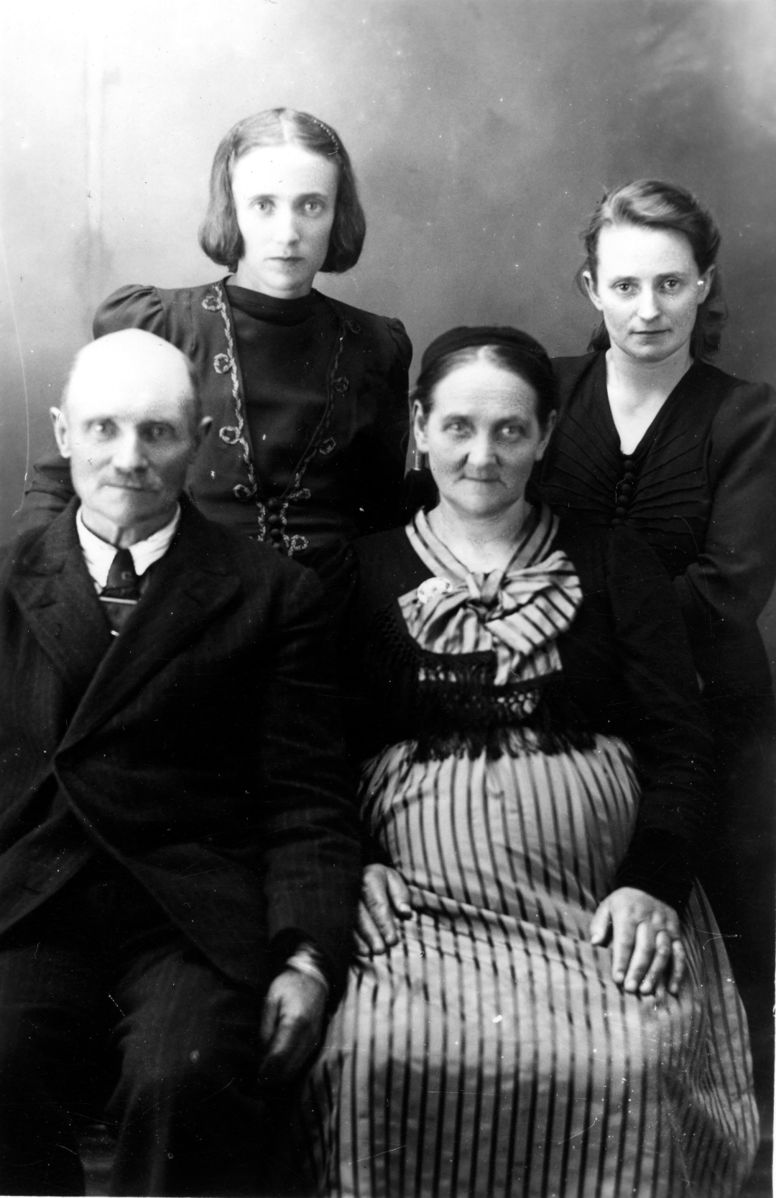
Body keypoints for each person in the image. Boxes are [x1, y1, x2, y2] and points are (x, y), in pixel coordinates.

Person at [298, 327, 759, 1197]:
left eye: (510, 430)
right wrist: (351, 866)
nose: (483, 455)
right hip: (420, 914)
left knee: (629, 1061)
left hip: (598, 906)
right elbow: (311, 753)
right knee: (371, 1052)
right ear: (419, 427)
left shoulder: (614, 561)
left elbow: (682, 745)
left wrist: (653, 884)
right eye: (458, 427)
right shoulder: (358, 573)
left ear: (545, 435)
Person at [0, 328, 361, 1197]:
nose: (129, 459)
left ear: (196, 440)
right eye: (104, 428)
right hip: (36, 900)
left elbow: (307, 799)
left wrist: (308, 958)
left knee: (183, 1078)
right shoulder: (9, 580)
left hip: (189, 916)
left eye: (157, 432)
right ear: (63, 433)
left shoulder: (271, 592)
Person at [535, 179, 776, 1111]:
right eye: (626, 285)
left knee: (743, 928)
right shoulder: (548, 392)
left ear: (704, 285)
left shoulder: (750, 416)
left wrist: (565, 633)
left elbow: (727, 591)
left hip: (714, 713)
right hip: (562, 708)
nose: (648, 310)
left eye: (672, 284)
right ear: (590, 286)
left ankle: (745, 1132)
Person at [18, 107, 412, 609]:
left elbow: (383, 515)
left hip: (332, 617)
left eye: (311, 205)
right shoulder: (159, 323)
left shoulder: (376, 344)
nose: (288, 232)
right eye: (263, 205)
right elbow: (66, 474)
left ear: (338, 214)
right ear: (232, 210)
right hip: (183, 610)